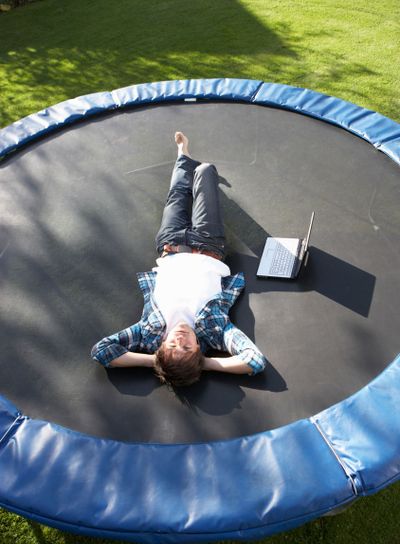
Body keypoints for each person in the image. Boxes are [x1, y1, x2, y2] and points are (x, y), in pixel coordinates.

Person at [91, 132, 267, 387]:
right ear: (198, 349)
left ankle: (183, 153)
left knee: (177, 194)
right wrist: (203, 363)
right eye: (187, 348)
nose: (180, 339)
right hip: (208, 244)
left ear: (161, 346)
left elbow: (102, 350)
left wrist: (158, 360)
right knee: (206, 171)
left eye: (173, 345)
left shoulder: (148, 331)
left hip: (170, 245)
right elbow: (254, 361)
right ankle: (197, 174)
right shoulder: (216, 331)